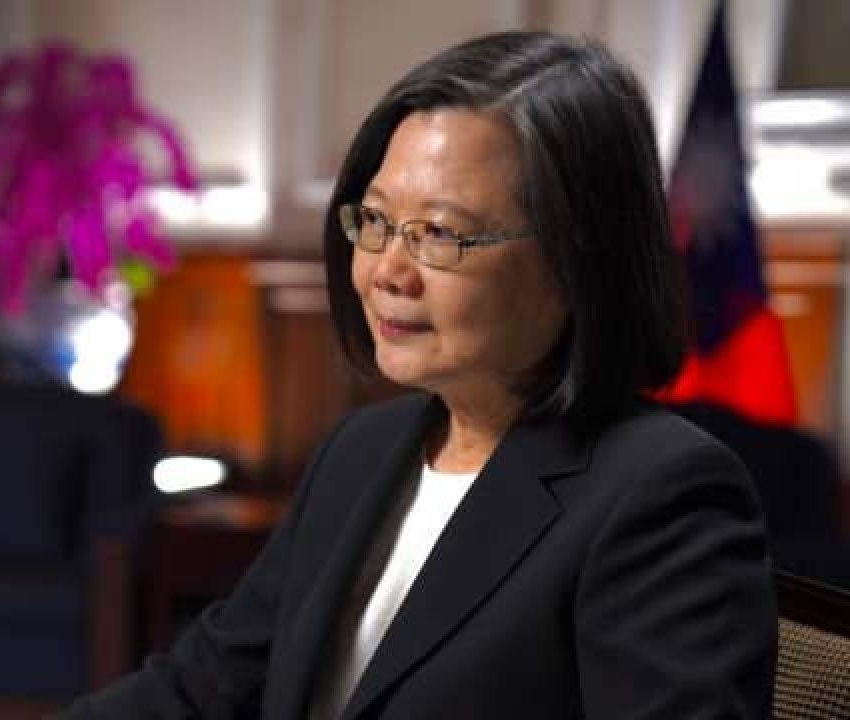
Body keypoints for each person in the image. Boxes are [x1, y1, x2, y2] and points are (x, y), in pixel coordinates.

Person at [64, 31, 776, 718]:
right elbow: (200, 692)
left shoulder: (663, 494)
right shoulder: (360, 453)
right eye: (375, 221)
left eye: (438, 232)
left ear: (577, 260)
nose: (388, 272)